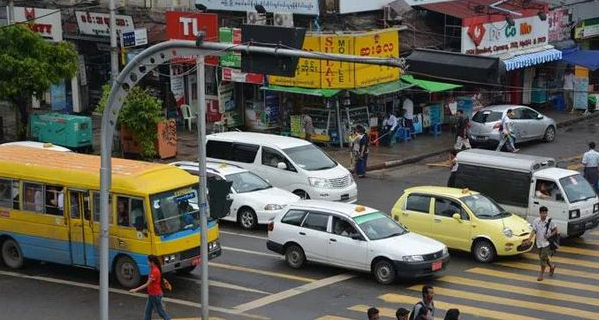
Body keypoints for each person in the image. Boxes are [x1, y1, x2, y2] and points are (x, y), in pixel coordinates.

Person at [130, 255, 172, 320]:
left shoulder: (154, 271)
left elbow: (147, 284)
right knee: (148, 312)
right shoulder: (154, 269)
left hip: (155, 296)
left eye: (148, 261)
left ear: (152, 262)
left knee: (161, 313)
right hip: (152, 295)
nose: (147, 263)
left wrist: (136, 289)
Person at [524, 206, 558, 281]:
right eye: (543, 213)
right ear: (540, 213)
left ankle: (541, 274)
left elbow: (556, 230)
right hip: (539, 243)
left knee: (542, 258)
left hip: (547, 243)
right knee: (544, 257)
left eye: (545, 213)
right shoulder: (536, 221)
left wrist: (549, 235)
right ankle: (552, 266)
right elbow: (534, 231)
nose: (544, 215)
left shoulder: (550, 221)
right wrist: (529, 239)